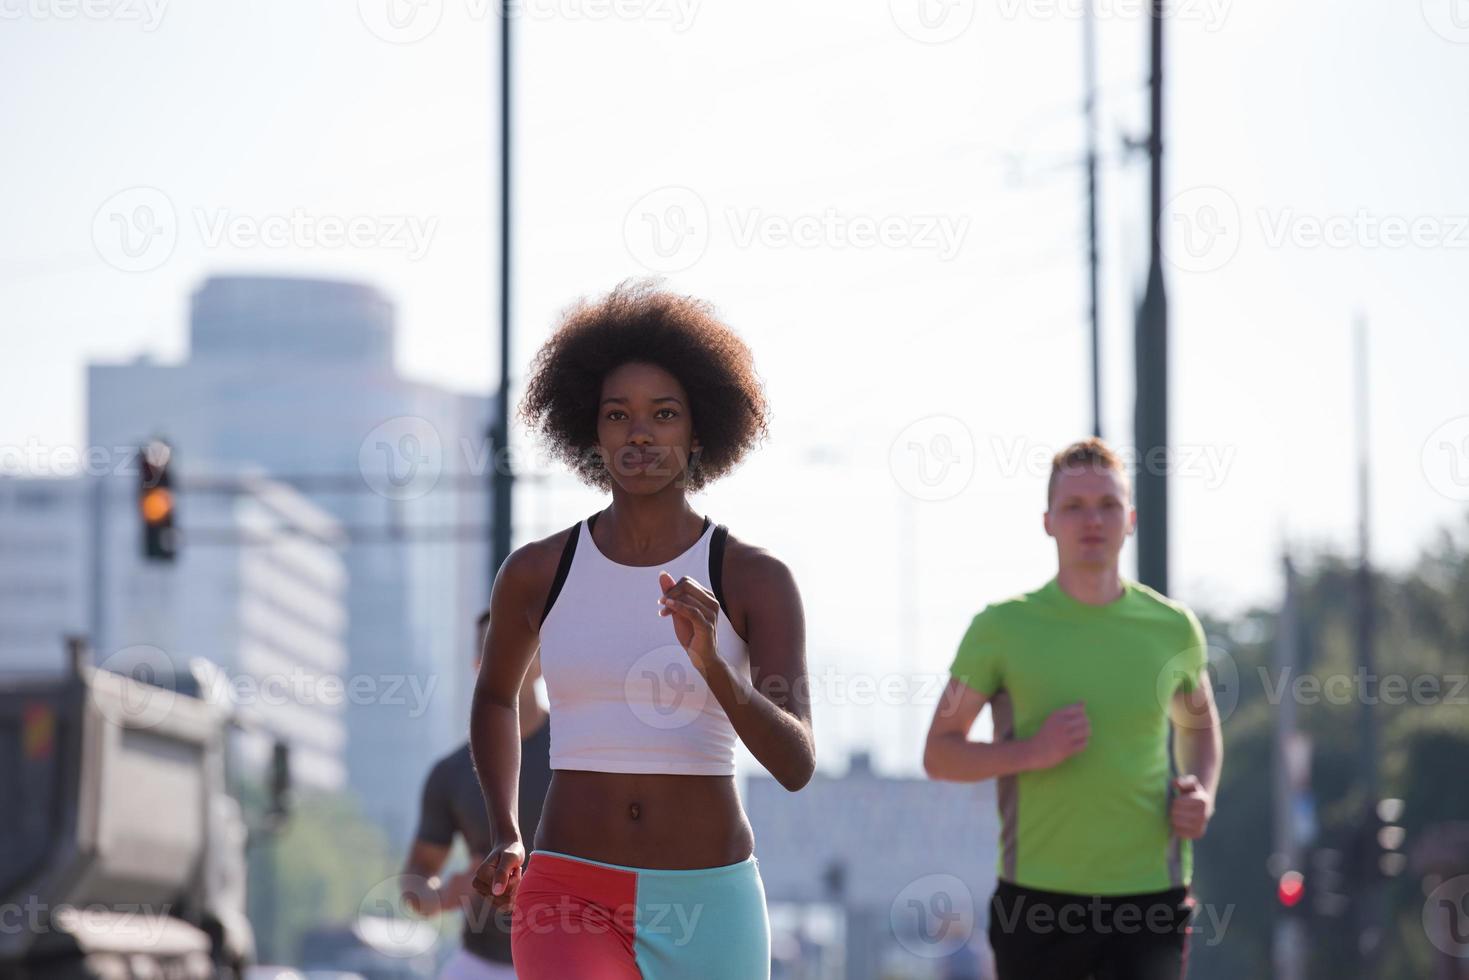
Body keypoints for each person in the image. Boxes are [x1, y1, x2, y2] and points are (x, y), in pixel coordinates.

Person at [468, 281, 815, 979]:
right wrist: (505, 830)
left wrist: (716, 667)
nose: (640, 433)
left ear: (698, 430)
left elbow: (796, 763)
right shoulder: (538, 571)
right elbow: (495, 697)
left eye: (663, 414)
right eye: (617, 415)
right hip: (568, 890)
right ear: (590, 432)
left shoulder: (753, 578)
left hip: (709, 900)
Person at [923, 437, 1223, 980]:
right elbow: (939, 754)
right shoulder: (1000, 628)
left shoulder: (1173, 627)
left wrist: (1202, 790)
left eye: (1108, 505)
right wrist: (1032, 752)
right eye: (1074, 507)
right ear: (1048, 522)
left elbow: (1200, 731)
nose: (1093, 521)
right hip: (1037, 900)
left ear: (1130, 519)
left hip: (1150, 896)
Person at [402, 609, 552, 980]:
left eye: (520, 647)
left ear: (543, 660)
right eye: (493, 649)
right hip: (481, 965)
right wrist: (447, 891)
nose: (507, 657)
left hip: (569, 959)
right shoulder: (451, 773)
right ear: (477, 664)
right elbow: (414, 884)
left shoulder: (581, 755)